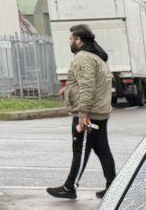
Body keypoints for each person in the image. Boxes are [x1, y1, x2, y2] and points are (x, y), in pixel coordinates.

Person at [47, 24, 116, 200]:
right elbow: (91, 83)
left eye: (71, 38)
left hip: (89, 113)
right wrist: (68, 89)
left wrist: (82, 114)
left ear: (78, 40)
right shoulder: (96, 57)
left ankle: (70, 187)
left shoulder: (83, 58)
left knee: (80, 149)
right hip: (99, 112)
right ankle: (113, 186)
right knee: (102, 149)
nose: (70, 42)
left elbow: (87, 86)